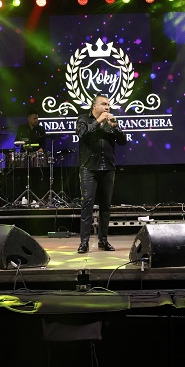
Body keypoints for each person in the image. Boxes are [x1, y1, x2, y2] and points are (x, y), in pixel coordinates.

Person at [75, 95, 127, 253]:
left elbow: (123, 141)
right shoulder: (83, 119)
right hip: (89, 168)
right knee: (87, 205)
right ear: (94, 106)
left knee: (106, 206)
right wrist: (98, 121)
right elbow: (82, 133)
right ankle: (84, 242)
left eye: (108, 105)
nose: (107, 107)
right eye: (104, 104)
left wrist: (115, 127)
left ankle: (103, 241)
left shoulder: (110, 121)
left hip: (108, 168)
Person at [14, 109, 49, 199]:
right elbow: (16, 141)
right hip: (25, 155)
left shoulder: (41, 129)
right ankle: (25, 197)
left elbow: (44, 143)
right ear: (29, 118)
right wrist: (21, 143)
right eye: (34, 118)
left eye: (37, 118)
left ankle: (35, 198)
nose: (36, 120)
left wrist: (41, 149)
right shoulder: (22, 128)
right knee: (23, 176)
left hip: (37, 156)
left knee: (36, 176)